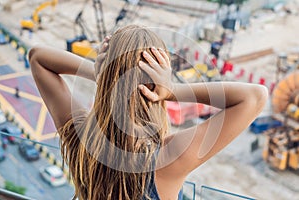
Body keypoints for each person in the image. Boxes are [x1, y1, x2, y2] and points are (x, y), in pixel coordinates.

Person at [29, 25, 268, 200]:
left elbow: (38, 57)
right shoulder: (167, 158)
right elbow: (254, 97)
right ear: (156, 85)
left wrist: (104, 76)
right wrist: (172, 91)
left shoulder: (81, 137)